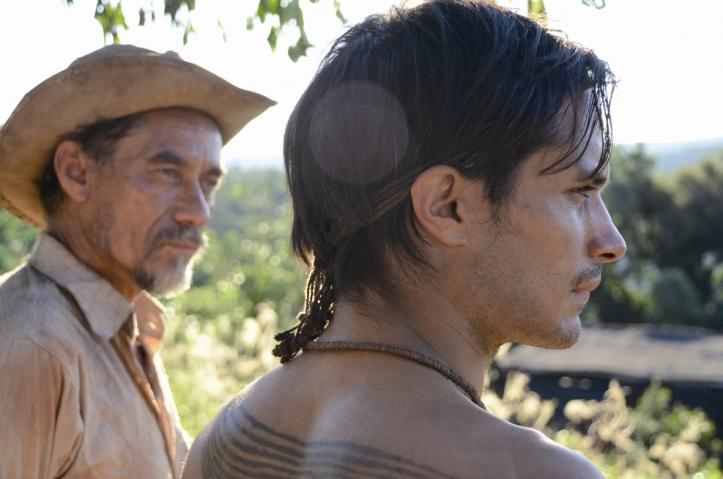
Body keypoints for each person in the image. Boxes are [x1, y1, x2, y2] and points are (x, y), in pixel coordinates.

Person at [183, 1, 625, 478]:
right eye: (579, 192)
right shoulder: (531, 472)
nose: (611, 241)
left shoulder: (217, 443)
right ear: (447, 207)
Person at [0, 44, 273, 478]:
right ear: (77, 172)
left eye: (208, 182)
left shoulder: (126, 323)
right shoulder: (32, 349)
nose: (198, 212)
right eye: (167, 173)